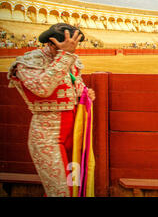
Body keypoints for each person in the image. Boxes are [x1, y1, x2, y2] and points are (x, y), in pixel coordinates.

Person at [7, 23, 95, 197]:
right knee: (59, 191)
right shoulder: (28, 61)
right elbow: (42, 89)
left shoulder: (72, 60)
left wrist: (85, 93)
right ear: (51, 42)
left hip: (75, 134)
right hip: (47, 136)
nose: (73, 47)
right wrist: (65, 55)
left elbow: (76, 86)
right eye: (68, 43)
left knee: (74, 186)